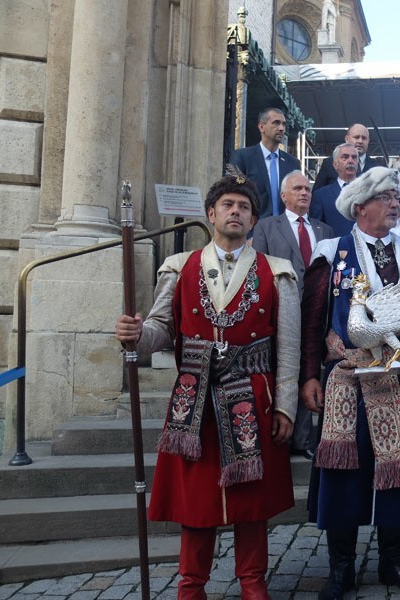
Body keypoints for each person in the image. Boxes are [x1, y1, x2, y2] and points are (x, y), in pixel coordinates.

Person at [115, 169, 300, 599]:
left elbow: (288, 347)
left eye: (244, 208)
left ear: (253, 220)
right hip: (193, 401)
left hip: (254, 397)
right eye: (228, 206)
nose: (236, 212)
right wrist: (135, 335)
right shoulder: (178, 267)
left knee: (252, 503)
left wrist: (286, 406)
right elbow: (160, 329)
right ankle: (190, 585)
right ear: (210, 214)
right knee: (196, 501)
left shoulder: (279, 271)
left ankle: (253, 582)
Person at [300, 167, 400, 599]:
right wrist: (308, 375)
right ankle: (342, 566)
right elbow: (311, 322)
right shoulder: (332, 255)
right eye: (386, 196)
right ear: (360, 207)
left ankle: (394, 562)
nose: (396, 203)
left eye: (398, 196)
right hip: (348, 380)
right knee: (345, 475)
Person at [253, 171, 333, 459]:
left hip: (317, 314)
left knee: (310, 373)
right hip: (281, 312)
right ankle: (280, 436)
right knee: (286, 370)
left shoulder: (324, 230)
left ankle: (305, 440)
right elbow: (258, 268)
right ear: (283, 195)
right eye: (297, 188)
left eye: (308, 189)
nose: (304, 193)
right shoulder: (266, 227)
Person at [232, 108, 301, 219]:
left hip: (285, 230)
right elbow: (234, 192)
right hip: (254, 228)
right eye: (276, 123)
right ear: (261, 127)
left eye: (283, 124)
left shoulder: (293, 164)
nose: (281, 128)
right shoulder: (243, 157)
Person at [313, 123, 383, 191]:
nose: (360, 141)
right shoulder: (329, 164)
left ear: (368, 141)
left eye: (364, 138)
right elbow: (317, 194)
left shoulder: (377, 167)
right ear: (347, 139)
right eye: (356, 137)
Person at [310, 143, 360, 237]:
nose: (350, 161)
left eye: (354, 157)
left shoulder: (370, 193)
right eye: (345, 157)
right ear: (335, 164)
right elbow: (316, 232)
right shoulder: (321, 196)